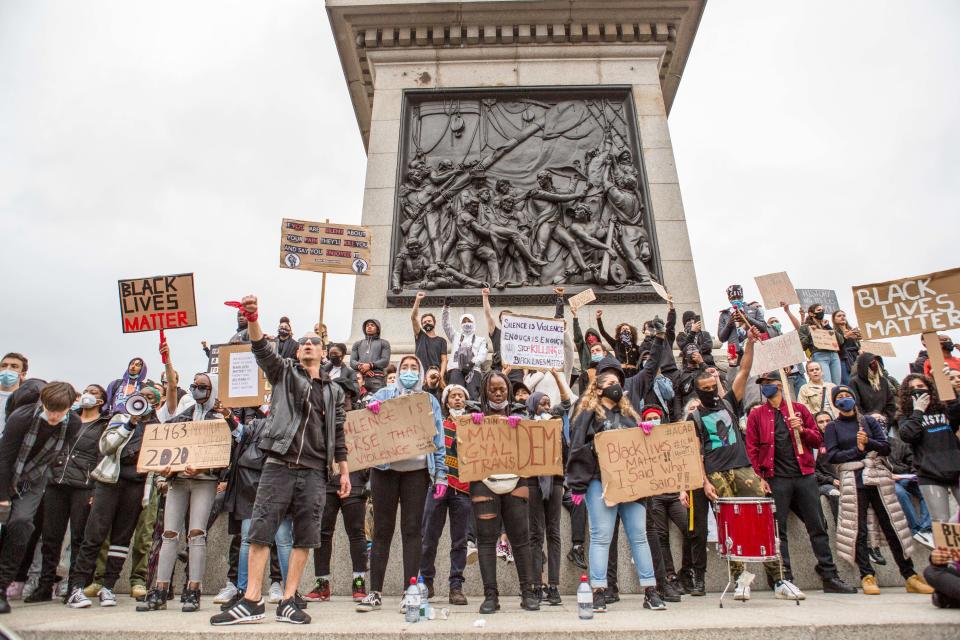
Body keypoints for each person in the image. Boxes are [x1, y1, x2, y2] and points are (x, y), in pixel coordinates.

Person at [212, 295, 350, 626]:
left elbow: (340, 436)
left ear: (323, 350)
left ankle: (289, 600)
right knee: (260, 531)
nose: (306, 345)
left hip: (316, 471)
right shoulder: (285, 373)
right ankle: (251, 600)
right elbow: (261, 349)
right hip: (278, 464)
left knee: (305, 537)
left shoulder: (335, 392)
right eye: (302, 342)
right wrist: (254, 317)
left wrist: (343, 473)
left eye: (313, 342)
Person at [688, 328, 790, 601]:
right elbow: (696, 453)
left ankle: (778, 578)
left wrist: (749, 345)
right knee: (729, 526)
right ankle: (740, 580)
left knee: (762, 518)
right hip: (716, 473)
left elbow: (744, 372)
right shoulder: (695, 417)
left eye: (713, 387)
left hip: (743, 467)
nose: (710, 392)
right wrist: (705, 481)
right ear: (698, 392)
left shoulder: (729, 403)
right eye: (705, 389)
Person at [138, 342, 239, 613]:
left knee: (197, 533)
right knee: (170, 533)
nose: (197, 389)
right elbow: (162, 445)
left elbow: (232, 445)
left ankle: (193, 588)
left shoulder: (222, 419)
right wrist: (166, 469)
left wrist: (206, 469)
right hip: (177, 481)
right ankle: (159, 589)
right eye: (194, 384)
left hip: (205, 481)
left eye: (202, 385)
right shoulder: (181, 417)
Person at [744, 371, 856, 597]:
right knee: (778, 532)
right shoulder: (757, 416)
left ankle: (829, 575)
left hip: (804, 475)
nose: (766, 388)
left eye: (769, 384)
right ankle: (784, 578)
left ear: (779, 385)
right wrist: (760, 478)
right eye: (763, 385)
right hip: (775, 479)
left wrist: (802, 429)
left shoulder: (799, 410)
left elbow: (818, 439)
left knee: (817, 526)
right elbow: (752, 449)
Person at [567, 358, 664, 613]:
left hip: (631, 484)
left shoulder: (631, 414)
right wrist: (578, 485)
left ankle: (650, 590)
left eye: (618, 382)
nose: (616, 385)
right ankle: (599, 590)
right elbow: (577, 445)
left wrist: (646, 434)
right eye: (609, 382)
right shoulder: (587, 412)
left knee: (639, 536)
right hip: (600, 482)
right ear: (597, 388)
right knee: (601, 536)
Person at [355, 355, 448, 613]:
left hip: (417, 472)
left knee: (412, 530)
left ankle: (410, 590)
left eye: (413, 368)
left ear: (419, 373)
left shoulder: (429, 400)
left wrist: (441, 474)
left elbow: (437, 439)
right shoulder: (383, 394)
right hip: (385, 471)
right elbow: (363, 425)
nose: (409, 372)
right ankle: (375, 591)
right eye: (404, 367)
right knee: (382, 531)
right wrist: (370, 409)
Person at [823, 385, 933, 596]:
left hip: (877, 477)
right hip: (853, 479)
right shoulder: (833, 427)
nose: (844, 399)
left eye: (847, 396)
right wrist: (858, 450)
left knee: (892, 526)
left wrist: (868, 442)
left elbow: (885, 447)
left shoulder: (868, 421)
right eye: (840, 397)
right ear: (835, 402)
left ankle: (909, 574)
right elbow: (832, 456)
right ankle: (867, 574)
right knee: (858, 529)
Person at [66, 383, 163, 609]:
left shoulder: (159, 428)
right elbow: (106, 446)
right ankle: (77, 586)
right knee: (95, 534)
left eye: (150, 397)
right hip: (110, 482)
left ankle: (108, 586)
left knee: (122, 538)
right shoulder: (120, 418)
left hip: (138, 486)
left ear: (156, 403)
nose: (144, 400)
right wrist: (130, 424)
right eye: (141, 396)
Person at [25, 385, 108, 603]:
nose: (88, 394)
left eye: (94, 392)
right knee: (50, 537)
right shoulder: (68, 419)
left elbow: (102, 457)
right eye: (87, 390)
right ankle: (44, 586)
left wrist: (96, 487)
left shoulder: (103, 425)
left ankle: (74, 586)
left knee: (79, 538)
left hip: (83, 485)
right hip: (56, 482)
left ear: (102, 401)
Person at [0, 382, 77, 614]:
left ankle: (2, 587)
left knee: (22, 525)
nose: (53, 416)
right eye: (49, 409)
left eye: (59, 411)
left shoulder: (72, 423)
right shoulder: (21, 418)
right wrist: (3, 496)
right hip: (7, 472)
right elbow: (5, 458)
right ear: (42, 403)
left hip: (34, 478)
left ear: (70, 407)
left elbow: (57, 455)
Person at [467, 370, 539, 614]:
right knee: (486, 539)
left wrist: (523, 427)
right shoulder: (472, 415)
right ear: (485, 391)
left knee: (521, 538)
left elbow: (535, 445)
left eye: (502, 389)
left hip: (516, 480)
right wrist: (473, 425)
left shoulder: (521, 413)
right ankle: (490, 596)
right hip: (483, 481)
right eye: (493, 389)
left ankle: (528, 593)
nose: (498, 393)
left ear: (508, 389)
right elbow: (463, 447)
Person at [219, 416, 294, 612]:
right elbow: (240, 432)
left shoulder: (293, 418)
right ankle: (244, 591)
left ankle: (290, 594)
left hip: (279, 481)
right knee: (248, 538)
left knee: (283, 538)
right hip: (252, 485)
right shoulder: (258, 422)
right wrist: (228, 415)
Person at [418, 384, 471, 606]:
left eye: (461, 396)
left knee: (459, 541)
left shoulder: (475, 425)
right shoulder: (437, 424)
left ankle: (455, 586)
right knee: (429, 538)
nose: (457, 399)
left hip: (463, 489)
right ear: (446, 402)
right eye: (453, 396)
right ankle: (426, 581)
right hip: (438, 486)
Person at [526, 380, 571, 606]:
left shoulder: (557, 426)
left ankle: (553, 585)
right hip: (533, 483)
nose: (545, 406)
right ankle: (536, 584)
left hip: (554, 482)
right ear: (533, 405)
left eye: (547, 403)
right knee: (535, 534)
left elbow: (565, 452)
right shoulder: (525, 426)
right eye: (541, 403)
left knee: (554, 533)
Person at [896, 374, 960, 525]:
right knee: (940, 522)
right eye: (912, 389)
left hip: (956, 467)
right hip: (929, 473)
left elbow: (957, 410)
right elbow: (908, 435)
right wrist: (918, 411)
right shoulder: (906, 417)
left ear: (929, 389)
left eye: (920, 387)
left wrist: (953, 387)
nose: (917, 391)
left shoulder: (944, 409)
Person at [887, 424, 934, 548]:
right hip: (886, 480)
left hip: (904, 476)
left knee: (926, 487)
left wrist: (914, 474)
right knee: (901, 493)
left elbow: (911, 460)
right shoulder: (868, 446)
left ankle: (926, 527)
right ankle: (915, 529)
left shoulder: (897, 443)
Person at [442, 304, 487, 400]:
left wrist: (472, 362)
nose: (467, 323)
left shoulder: (481, 340)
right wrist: (446, 308)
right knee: (456, 394)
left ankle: (473, 414)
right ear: (460, 324)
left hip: (473, 370)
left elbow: (483, 354)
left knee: (473, 396)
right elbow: (446, 325)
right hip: (455, 369)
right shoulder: (455, 336)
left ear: (474, 322)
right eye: (464, 321)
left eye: (469, 321)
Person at [849, 353, 897, 426]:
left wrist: (885, 418)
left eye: (875, 363)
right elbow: (856, 406)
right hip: (864, 424)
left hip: (884, 423)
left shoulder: (883, 381)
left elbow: (890, 404)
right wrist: (869, 417)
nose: (874, 366)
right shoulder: (855, 382)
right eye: (871, 364)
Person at [925, 515, 960, 608]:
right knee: (931, 571)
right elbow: (951, 556)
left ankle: (949, 599)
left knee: (941, 596)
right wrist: (936, 558)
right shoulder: (955, 521)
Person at [812, 411, 841, 524]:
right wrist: (832, 480)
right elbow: (813, 472)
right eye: (821, 422)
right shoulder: (814, 445)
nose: (825, 424)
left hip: (845, 478)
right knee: (834, 493)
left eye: (828, 421)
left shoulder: (840, 439)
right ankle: (840, 529)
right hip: (824, 484)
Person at [411, 291, 448, 377]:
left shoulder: (442, 341)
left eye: (429, 321)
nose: (427, 323)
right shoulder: (420, 336)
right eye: (424, 322)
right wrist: (417, 300)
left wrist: (441, 376)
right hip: (420, 375)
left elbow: (444, 360)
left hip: (435, 375)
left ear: (434, 323)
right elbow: (413, 318)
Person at [350, 319, 391, 393]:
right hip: (359, 379)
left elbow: (385, 361)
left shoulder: (384, 343)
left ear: (378, 329)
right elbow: (352, 362)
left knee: (376, 402)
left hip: (376, 379)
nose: (369, 327)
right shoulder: (357, 344)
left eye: (372, 325)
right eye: (367, 325)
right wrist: (362, 368)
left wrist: (370, 365)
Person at [596, 311, 641, 377]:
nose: (625, 330)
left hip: (633, 374)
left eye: (627, 329)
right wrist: (598, 318)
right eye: (623, 329)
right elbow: (603, 333)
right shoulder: (616, 344)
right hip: (620, 373)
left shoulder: (636, 347)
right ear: (619, 334)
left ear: (631, 334)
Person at [323, 343, 359, 409]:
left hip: (341, 406)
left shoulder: (350, 372)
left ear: (343, 355)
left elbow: (356, 392)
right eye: (331, 354)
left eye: (335, 353)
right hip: (324, 404)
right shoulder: (322, 369)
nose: (333, 356)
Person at [0, 353, 28, 436]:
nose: (7, 369)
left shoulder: (25, 401)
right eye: (4, 365)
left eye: (14, 366)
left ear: (23, 375)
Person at [831, 310, 861, 385]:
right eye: (839, 316)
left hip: (856, 359)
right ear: (834, 319)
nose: (842, 317)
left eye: (844, 315)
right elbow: (834, 346)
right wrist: (846, 336)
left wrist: (858, 342)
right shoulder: (833, 332)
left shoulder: (853, 330)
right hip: (843, 360)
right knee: (848, 383)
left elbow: (858, 346)